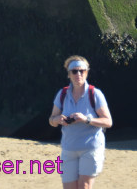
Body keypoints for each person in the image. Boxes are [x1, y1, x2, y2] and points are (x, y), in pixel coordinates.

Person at [48, 55, 112, 189]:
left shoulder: (95, 94)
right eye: (74, 71)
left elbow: (108, 121)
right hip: (68, 148)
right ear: (69, 74)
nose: (78, 74)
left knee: (84, 186)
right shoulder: (62, 94)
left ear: (87, 72)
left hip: (91, 148)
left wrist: (86, 119)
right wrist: (58, 120)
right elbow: (51, 120)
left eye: (82, 71)